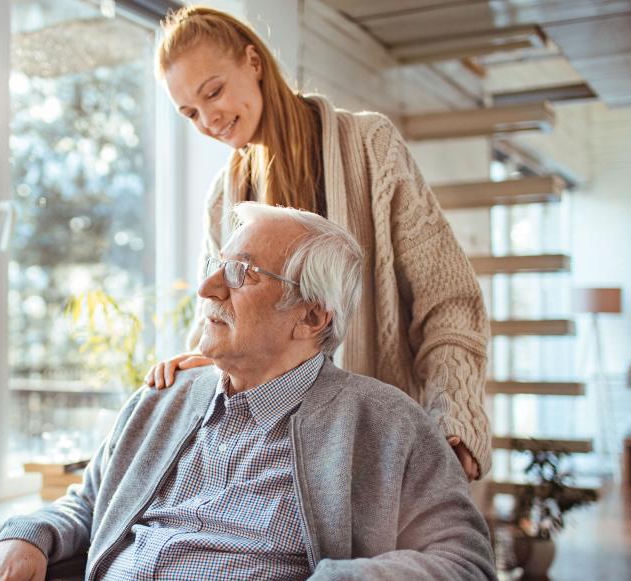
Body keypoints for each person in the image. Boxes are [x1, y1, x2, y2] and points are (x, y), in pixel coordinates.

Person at [0, 204, 499, 581]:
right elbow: (87, 507)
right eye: (219, 264)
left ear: (312, 317)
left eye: (243, 273)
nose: (208, 287)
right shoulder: (161, 401)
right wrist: (27, 536)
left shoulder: (384, 423)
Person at [147, 5, 490, 481]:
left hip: (380, 450)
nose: (210, 119)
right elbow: (225, 315)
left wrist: (453, 420)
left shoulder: (371, 146)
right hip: (272, 462)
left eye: (215, 91)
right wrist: (201, 362)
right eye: (190, 113)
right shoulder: (222, 199)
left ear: (254, 61)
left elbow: (447, 298)